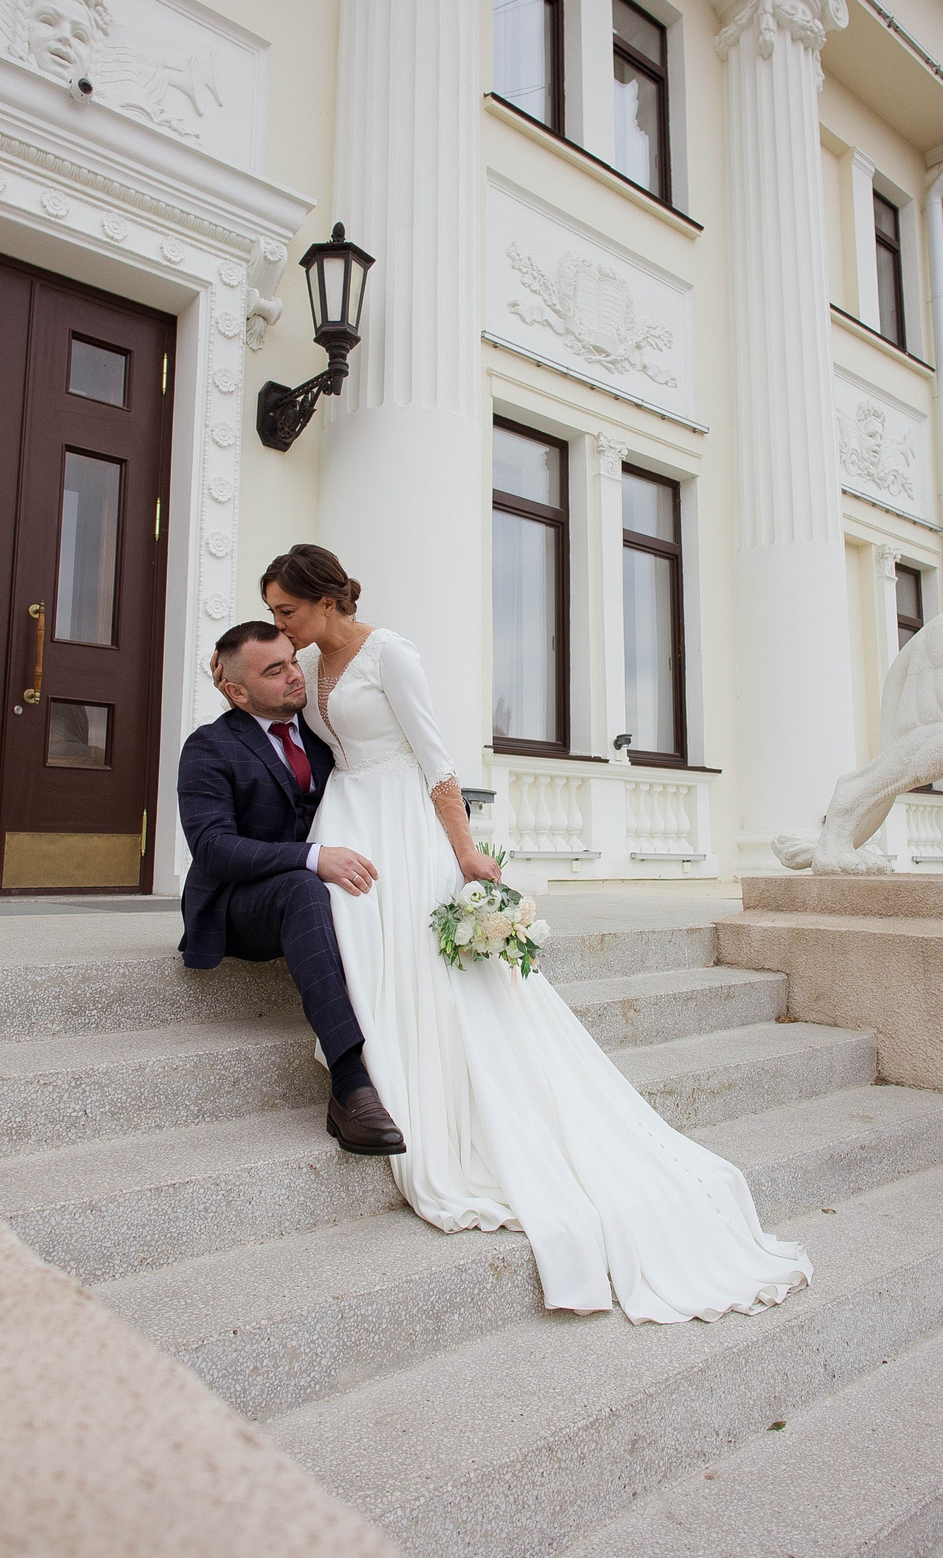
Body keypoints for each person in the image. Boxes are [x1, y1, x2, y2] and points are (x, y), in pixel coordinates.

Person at [259, 543, 810, 1324]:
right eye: (276, 615)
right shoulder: (311, 666)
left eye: (288, 611)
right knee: (354, 945)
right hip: (347, 817)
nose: (282, 627)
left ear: (325, 600)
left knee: (422, 970)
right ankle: (373, 1073)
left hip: (405, 827)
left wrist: (465, 855)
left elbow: (437, 765)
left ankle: (420, 1095)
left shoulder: (393, 656)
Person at [178, 620, 407, 1158]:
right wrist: (313, 857)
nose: (292, 676)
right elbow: (212, 848)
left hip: (316, 896)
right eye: (273, 671)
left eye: (292, 662)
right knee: (307, 888)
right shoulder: (210, 746)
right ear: (235, 690)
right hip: (240, 906)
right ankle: (351, 1086)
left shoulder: (329, 737)